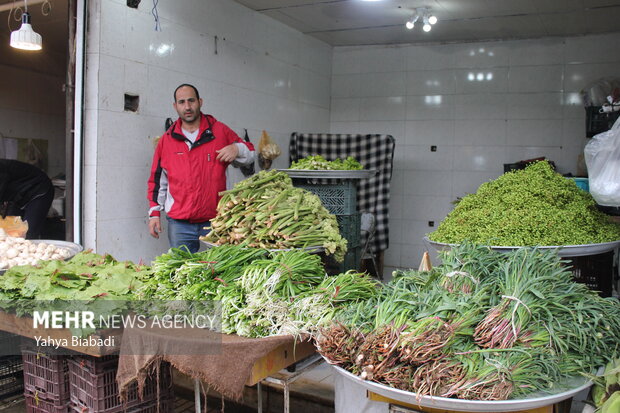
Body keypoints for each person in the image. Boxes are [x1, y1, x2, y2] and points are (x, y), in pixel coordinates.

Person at [147, 84, 255, 253]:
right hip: (179, 223)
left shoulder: (219, 131)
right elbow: (158, 180)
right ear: (175, 106)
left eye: (191, 101)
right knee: (180, 269)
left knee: (217, 270)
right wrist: (154, 212)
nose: (187, 107)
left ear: (200, 102)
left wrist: (237, 149)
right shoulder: (166, 141)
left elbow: (250, 153)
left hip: (215, 221)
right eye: (181, 102)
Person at [0, 159, 54, 239]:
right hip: (18, 196)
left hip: (38, 190)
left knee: (27, 233)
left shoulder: (1, 168)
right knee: (9, 232)